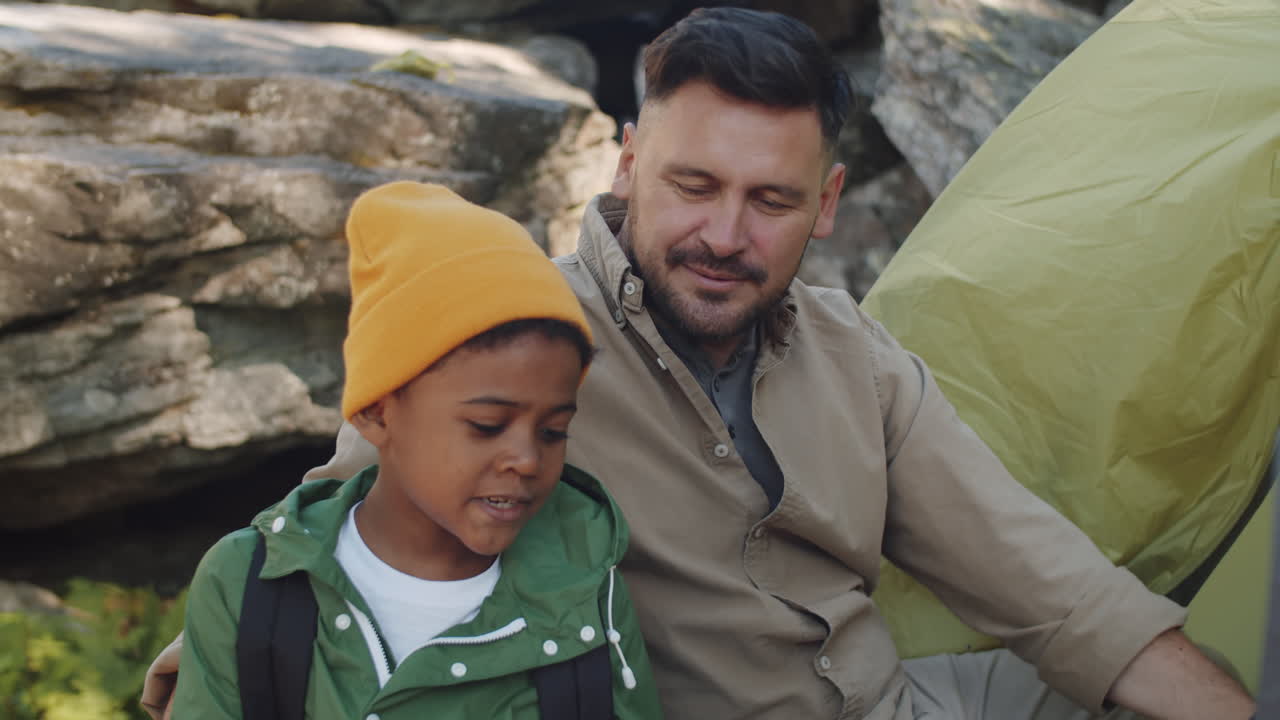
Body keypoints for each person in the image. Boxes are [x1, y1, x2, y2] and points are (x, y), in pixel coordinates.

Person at [147, 8, 1257, 720]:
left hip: (895, 700)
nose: (724, 235)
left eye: (769, 200)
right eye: (692, 185)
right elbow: (352, 503)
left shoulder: (851, 355)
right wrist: (218, 634)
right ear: (630, 163)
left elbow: (1047, 591)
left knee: (1130, 669)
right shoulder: (520, 335)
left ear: (824, 204)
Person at [168, 181, 663, 720]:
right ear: (378, 411)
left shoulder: (591, 591)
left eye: (552, 431)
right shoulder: (250, 585)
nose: (526, 459)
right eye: (486, 424)